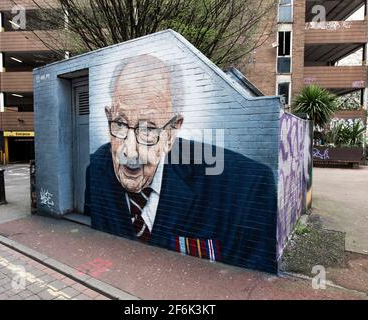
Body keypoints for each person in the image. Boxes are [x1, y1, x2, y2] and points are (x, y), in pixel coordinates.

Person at [85, 55, 278, 273]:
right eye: (119, 123)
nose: (129, 151)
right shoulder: (96, 170)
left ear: (171, 132)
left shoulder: (247, 188)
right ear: (108, 117)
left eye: (148, 129)